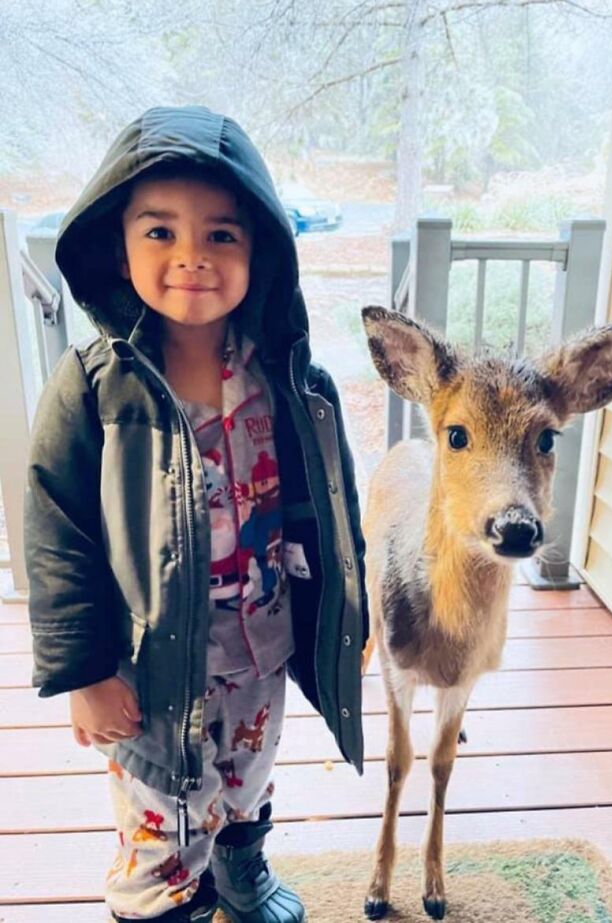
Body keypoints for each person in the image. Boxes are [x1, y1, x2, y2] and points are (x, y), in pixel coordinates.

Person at [24, 105, 368, 923]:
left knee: (247, 776)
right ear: (119, 246)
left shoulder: (290, 381)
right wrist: (84, 670)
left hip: (261, 642)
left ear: (261, 252)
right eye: (160, 232)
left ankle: (243, 868)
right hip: (147, 663)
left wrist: (355, 611)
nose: (191, 258)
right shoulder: (95, 387)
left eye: (220, 235)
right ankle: (161, 905)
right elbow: (54, 531)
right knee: (164, 812)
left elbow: (332, 508)